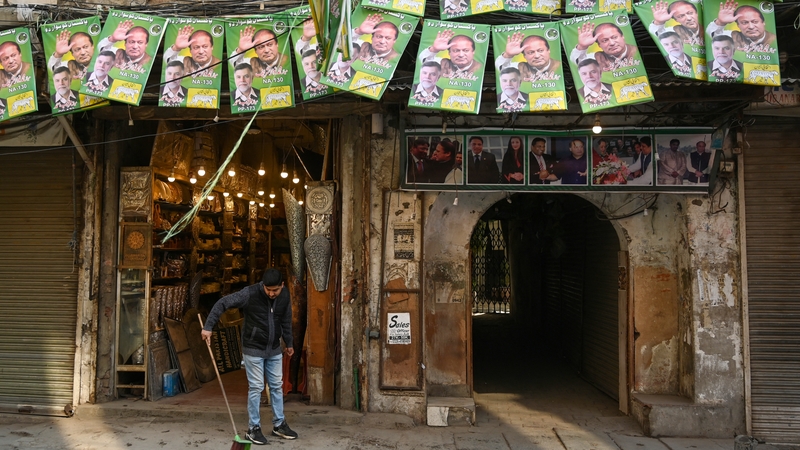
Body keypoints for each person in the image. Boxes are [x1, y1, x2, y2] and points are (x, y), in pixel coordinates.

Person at [201, 268, 298, 445]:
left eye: (274, 290)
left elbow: (285, 319)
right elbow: (223, 303)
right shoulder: (249, 293)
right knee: (256, 387)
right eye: (267, 289)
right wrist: (208, 327)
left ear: (282, 286)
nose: (271, 293)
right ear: (263, 285)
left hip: (274, 348)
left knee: (277, 386)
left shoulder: (284, 295)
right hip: (253, 348)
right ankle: (254, 428)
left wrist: (289, 343)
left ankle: (279, 424)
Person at [707, 1, 776, 53]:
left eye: (755, 22)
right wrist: (721, 22)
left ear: (763, 23)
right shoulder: (733, 36)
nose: (751, 27)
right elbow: (714, 36)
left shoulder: (773, 39)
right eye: (744, 22)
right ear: (738, 25)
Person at [571, 22, 638, 72]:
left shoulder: (637, 51)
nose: (612, 43)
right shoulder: (597, 58)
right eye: (605, 40)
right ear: (599, 45)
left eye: (614, 37)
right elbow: (580, 62)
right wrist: (582, 46)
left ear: (622, 37)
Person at [495, 33, 561, 82]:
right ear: (524, 56)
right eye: (531, 52)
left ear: (548, 50)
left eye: (540, 51)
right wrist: (508, 55)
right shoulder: (520, 68)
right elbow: (503, 69)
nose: (537, 56)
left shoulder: (559, 66)